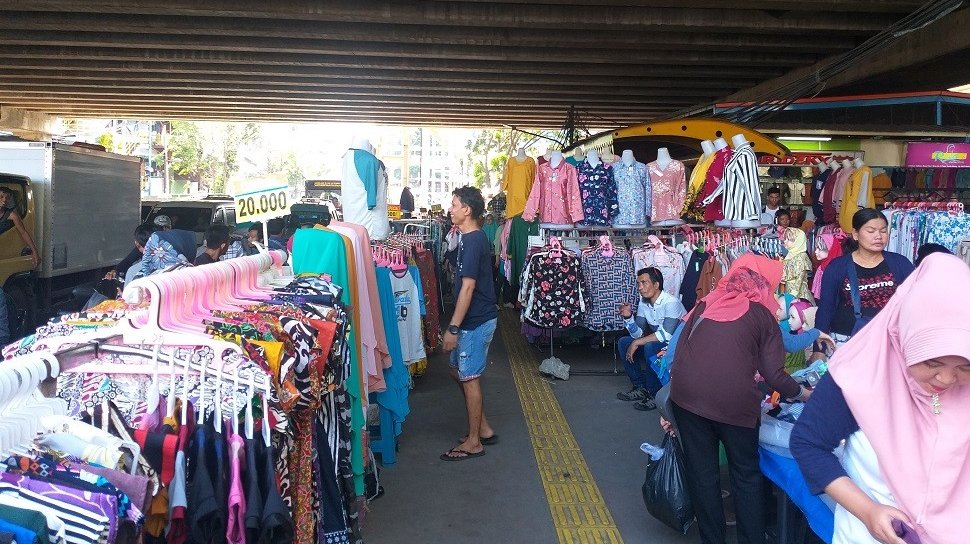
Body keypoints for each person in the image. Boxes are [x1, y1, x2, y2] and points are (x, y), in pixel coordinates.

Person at [791, 253, 970, 544]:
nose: (947, 380)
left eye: (965, 368)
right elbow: (808, 443)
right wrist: (868, 511)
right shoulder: (859, 374)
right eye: (931, 364)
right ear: (904, 337)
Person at [667, 254, 810, 544]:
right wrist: (806, 394)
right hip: (734, 405)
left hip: (687, 399)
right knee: (745, 476)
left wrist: (669, 404)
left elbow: (680, 350)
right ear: (765, 283)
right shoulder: (762, 314)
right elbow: (774, 375)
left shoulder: (707, 302)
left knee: (703, 475)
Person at [440, 186, 498, 462]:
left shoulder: (474, 241)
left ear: (468, 210)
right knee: (456, 370)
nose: (450, 209)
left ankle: (474, 442)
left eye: (454, 204)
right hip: (472, 321)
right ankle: (483, 427)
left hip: (475, 322)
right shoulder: (467, 238)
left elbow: (467, 288)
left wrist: (453, 327)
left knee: (470, 377)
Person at [814, 208, 914, 351]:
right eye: (871, 231)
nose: (878, 236)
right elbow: (826, 309)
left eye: (883, 231)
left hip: (890, 342)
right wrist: (819, 350)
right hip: (846, 341)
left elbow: (913, 303)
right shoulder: (838, 267)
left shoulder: (900, 264)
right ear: (855, 234)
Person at [616, 267, 687, 411]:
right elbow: (638, 334)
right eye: (638, 283)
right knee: (624, 342)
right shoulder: (644, 303)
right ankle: (640, 386)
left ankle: (653, 392)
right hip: (660, 345)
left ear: (656, 285)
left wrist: (637, 342)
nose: (640, 287)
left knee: (650, 346)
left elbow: (666, 335)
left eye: (644, 282)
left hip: (676, 349)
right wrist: (628, 318)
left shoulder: (671, 302)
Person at [0, 187, 39, 269]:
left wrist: (34, 251)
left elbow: (23, 232)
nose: (4, 200)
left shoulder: (11, 214)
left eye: (7, 198)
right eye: (1, 196)